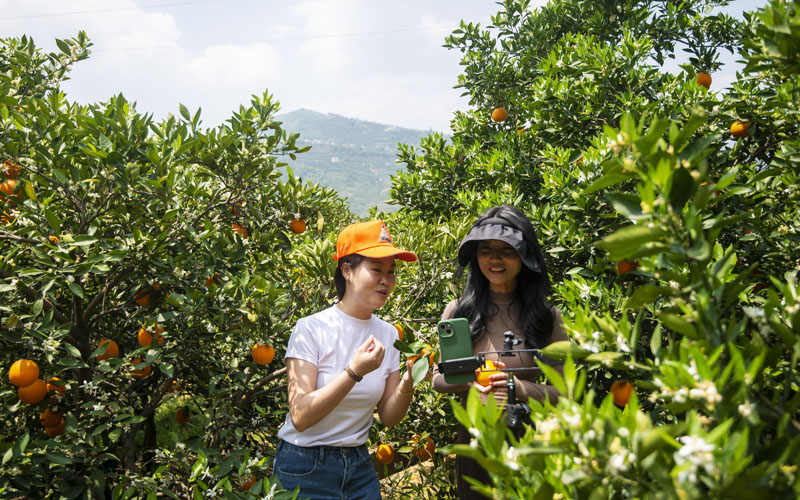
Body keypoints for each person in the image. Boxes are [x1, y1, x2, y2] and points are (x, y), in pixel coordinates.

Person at [275, 220, 420, 500]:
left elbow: (389, 418)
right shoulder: (311, 328)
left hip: (359, 465)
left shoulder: (389, 334)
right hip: (304, 465)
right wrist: (354, 372)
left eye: (391, 272)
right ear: (347, 271)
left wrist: (408, 383)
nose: (386, 280)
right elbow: (301, 416)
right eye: (376, 270)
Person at [431, 205, 568, 500]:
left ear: (524, 256)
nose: (494, 259)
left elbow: (564, 393)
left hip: (531, 439)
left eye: (505, 250)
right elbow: (438, 381)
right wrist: (473, 379)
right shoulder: (459, 313)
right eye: (485, 250)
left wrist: (518, 388)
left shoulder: (547, 318)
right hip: (476, 442)